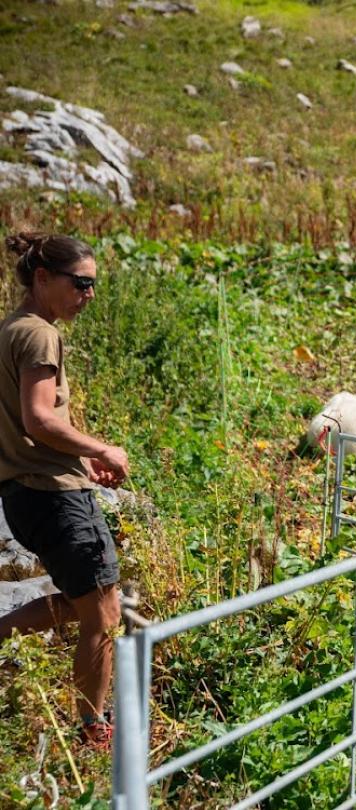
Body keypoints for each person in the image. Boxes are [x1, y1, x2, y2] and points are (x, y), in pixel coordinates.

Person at [0, 232, 129, 749]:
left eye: (93, 285)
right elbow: (38, 418)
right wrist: (102, 450)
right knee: (104, 613)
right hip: (53, 497)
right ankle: (93, 730)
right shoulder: (38, 335)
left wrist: (78, 459)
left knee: (82, 603)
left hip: (27, 492)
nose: (89, 294)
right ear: (42, 278)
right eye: (81, 283)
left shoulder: (11, 328)